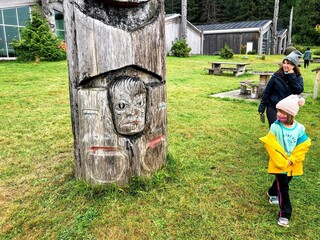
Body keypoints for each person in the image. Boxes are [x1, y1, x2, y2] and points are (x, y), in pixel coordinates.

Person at [260, 95, 311, 228]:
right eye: (278, 111)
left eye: (282, 112)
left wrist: (292, 160)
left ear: (290, 114)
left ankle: (271, 192)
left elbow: (303, 146)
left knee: (286, 180)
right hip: (279, 163)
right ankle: (285, 214)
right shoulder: (275, 127)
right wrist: (281, 161)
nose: (278, 114)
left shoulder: (299, 129)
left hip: (292, 164)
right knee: (283, 188)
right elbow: (271, 144)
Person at [258, 51, 304, 127]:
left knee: (285, 130)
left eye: (288, 63)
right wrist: (262, 107)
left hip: (287, 110)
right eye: (284, 62)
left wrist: (291, 76)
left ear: (294, 65)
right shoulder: (277, 75)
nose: (285, 65)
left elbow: (299, 90)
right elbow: (267, 92)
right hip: (273, 107)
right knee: (274, 128)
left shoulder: (298, 77)